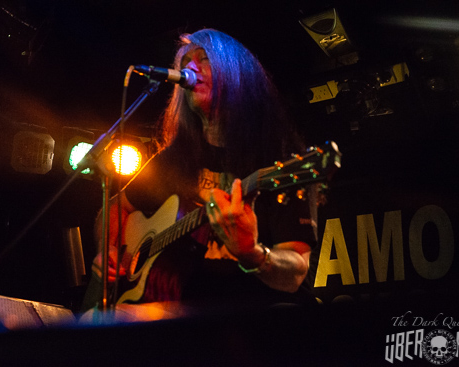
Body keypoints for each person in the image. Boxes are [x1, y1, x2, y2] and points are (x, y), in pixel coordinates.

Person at [83, 29, 318, 312]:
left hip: (258, 319)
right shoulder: (173, 159)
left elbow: (295, 273)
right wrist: (108, 248)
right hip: (183, 316)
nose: (190, 68)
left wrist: (253, 254)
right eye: (184, 64)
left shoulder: (280, 159)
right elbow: (114, 208)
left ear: (235, 71)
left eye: (203, 59)